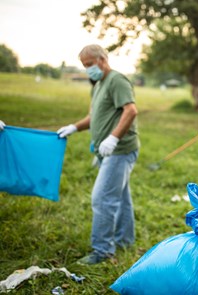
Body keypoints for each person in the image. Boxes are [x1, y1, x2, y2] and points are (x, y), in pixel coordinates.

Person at [57, 44, 140, 265]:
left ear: (102, 59)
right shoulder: (98, 84)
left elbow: (130, 110)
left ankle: (102, 250)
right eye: (84, 66)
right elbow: (93, 116)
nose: (88, 70)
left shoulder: (117, 80)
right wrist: (74, 127)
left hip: (120, 150)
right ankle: (125, 240)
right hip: (108, 152)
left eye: (90, 65)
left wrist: (113, 138)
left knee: (102, 198)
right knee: (121, 197)